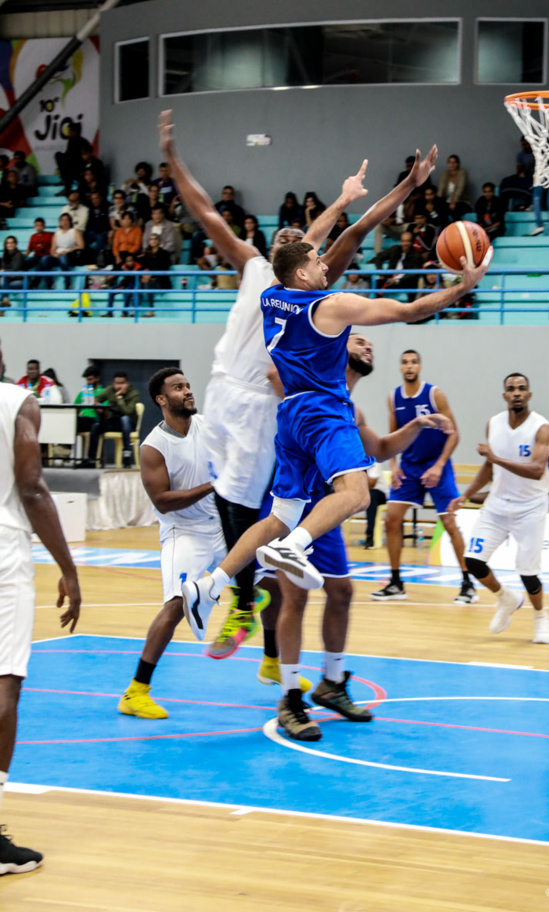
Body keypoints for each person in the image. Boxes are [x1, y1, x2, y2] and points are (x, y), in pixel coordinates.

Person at [160, 109, 439, 660]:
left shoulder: (294, 286)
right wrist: (172, 160)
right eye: (295, 238)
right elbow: (208, 214)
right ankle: (249, 593)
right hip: (226, 395)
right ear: (285, 253)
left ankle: (238, 595)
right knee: (247, 501)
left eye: (304, 237)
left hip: (272, 403)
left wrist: (351, 199)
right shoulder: (259, 270)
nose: (301, 239)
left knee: (263, 504)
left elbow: (343, 234)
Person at [181, 230, 492, 639]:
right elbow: (410, 310)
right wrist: (463, 286)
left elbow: (301, 255)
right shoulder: (332, 306)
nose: (326, 264)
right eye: (317, 261)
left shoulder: (271, 298)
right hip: (324, 412)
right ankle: (293, 547)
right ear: (302, 274)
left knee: (281, 515)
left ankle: (210, 585)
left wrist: (361, 201)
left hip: (290, 416)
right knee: (357, 493)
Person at [266, 334, 455, 741]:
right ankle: (290, 698)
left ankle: (331, 683)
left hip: (328, 510)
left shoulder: (351, 410)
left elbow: (382, 447)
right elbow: (271, 373)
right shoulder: (310, 384)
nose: (371, 346)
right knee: (295, 597)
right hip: (294, 506)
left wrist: (418, 424)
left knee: (342, 593)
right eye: (360, 341)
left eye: (373, 342)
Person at [0, 341, 81, 874]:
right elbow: (31, 487)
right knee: (4, 684)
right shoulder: (17, 401)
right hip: (3, 557)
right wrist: (69, 568)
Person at [118, 369, 226, 719]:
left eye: (188, 385)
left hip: (220, 527)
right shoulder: (153, 446)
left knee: (271, 583)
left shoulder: (207, 425)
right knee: (176, 604)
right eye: (179, 388)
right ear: (162, 400)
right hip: (184, 530)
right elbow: (162, 500)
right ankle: (136, 692)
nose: (188, 391)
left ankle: (273, 663)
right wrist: (214, 484)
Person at [448, 373, 549, 644]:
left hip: (531, 506)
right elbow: (489, 467)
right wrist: (466, 495)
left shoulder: (541, 427)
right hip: (498, 503)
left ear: (529, 395)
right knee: (472, 560)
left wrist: (495, 458)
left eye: (522, 389)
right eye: (511, 389)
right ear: (504, 395)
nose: (516, 393)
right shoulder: (493, 424)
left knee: (528, 572)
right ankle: (505, 599)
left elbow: (537, 470)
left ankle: (540, 617)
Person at [371, 348, 476, 605]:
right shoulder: (393, 397)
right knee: (391, 520)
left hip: (436, 465)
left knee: (449, 523)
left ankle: (467, 584)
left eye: (414, 362)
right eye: (405, 362)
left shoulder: (434, 394)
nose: (409, 366)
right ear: (400, 368)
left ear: (419, 367)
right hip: (409, 465)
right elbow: (393, 434)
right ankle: (396, 583)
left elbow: (454, 433)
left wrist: (439, 465)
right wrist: (393, 465)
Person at [84, 372, 140, 469]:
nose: (119, 386)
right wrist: (98, 407)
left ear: (127, 383)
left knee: (124, 419)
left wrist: (119, 398)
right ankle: (91, 459)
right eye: (117, 383)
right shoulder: (110, 390)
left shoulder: (133, 394)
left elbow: (127, 411)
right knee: (96, 426)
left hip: (129, 424)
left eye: (122, 383)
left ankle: (126, 456)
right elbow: (97, 399)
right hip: (114, 422)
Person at [37, 213, 84, 289]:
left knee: (63, 258)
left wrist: (68, 250)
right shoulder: (57, 234)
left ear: (70, 221)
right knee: (44, 259)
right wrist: (54, 254)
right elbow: (52, 249)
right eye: (62, 220)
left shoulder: (74, 231)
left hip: (70, 254)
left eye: (66, 220)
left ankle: (68, 282)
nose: (64, 222)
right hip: (58, 255)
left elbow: (81, 245)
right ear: (60, 222)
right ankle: (50, 283)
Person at [371, 230, 424, 296]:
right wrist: (380, 272)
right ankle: (378, 305)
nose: (405, 244)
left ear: (411, 242)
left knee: (412, 283)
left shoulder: (417, 256)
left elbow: (414, 273)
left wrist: (397, 281)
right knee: (377, 284)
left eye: (407, 241)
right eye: (403, 241)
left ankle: (410, 305)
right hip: (390, 279)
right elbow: (378, 257)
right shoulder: (395, 249)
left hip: (405, 281)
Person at [54, 121, 91, 194]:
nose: (69, 133)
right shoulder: (71, 141)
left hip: (79, 166)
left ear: (75, 132)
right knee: (58, 155)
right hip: (70, 164)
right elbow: (68, 153)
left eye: (70, 131)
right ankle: (64, 180)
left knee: (69, 167)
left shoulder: (83, 142)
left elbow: (85, 157)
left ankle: (67, 188)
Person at [437, 154, 470, 219]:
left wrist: (453, 202)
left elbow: (459, 189)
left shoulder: (462, 173)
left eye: (454, 162)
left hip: (461, 201)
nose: (451, 164)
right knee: (439, 209)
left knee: (456, 210)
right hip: (447, 202)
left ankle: (456, 228)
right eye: (450, 162)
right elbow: (441, 189)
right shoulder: (445, 173)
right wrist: (436, 201)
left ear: (458, 164)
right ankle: (446, 228)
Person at [74, 366, 104, 436]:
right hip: (82, 419)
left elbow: (103, 412)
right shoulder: (83, 392)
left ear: (97, 378)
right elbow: (75, 406)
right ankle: (65, 445)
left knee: (80, 422)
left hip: (94, 420)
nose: (88, 382)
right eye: (87, 380)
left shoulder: (103, 392)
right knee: (70, 421)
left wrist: (95, 404)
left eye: (90, 379)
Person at [0, 237, 24, 311]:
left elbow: (15, 269)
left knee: (3, 282)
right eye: (7, 243)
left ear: (15, 244)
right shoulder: (4, 256)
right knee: (4, 281)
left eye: (11, 243)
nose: (9, 245)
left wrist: (5, 271)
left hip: (19, 281)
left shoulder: (19, 255)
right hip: (7, 281)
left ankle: (2, 307)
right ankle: (4, 301)